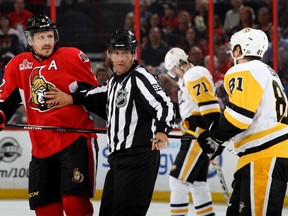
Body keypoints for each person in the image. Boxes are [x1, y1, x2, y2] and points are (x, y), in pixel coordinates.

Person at [44, 29, 175, 216]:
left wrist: (162, 131)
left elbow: (164, 105)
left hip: (138, 159)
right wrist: (71, 98)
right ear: (109, 55)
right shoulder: (115, 81)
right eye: (116, 53)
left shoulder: (140, 78)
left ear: (133, 54)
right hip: (118, 160)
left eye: (125, 53)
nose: (120, 59)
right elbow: (95, 94)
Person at [0, 15, 100, 216]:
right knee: (45, 209)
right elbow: (5, 103)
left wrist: (72, 98)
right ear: (30, 40)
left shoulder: (71, 57)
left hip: (74, 141)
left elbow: (97, 96)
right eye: (40, 37)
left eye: (49, 36)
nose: (47, 42)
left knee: (75, 204)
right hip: (41, 148)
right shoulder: (18, 65)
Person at [198, 27, 288, 216]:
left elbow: (239, 117)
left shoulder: (243, 70)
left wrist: (214, 138)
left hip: (264, 155)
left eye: (233, 48)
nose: (231, 53)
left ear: (239, 50)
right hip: (263, 154)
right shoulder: (268, 72)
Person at [164, 47, 221, 216]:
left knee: (177, 180)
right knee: (198, 183)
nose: (176, 73)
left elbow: (209, 104)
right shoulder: (187, 79)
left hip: (197, 135)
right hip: (195, 134)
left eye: (175, 69)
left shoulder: (194, 73)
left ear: (180, 64)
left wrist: (213, 134)